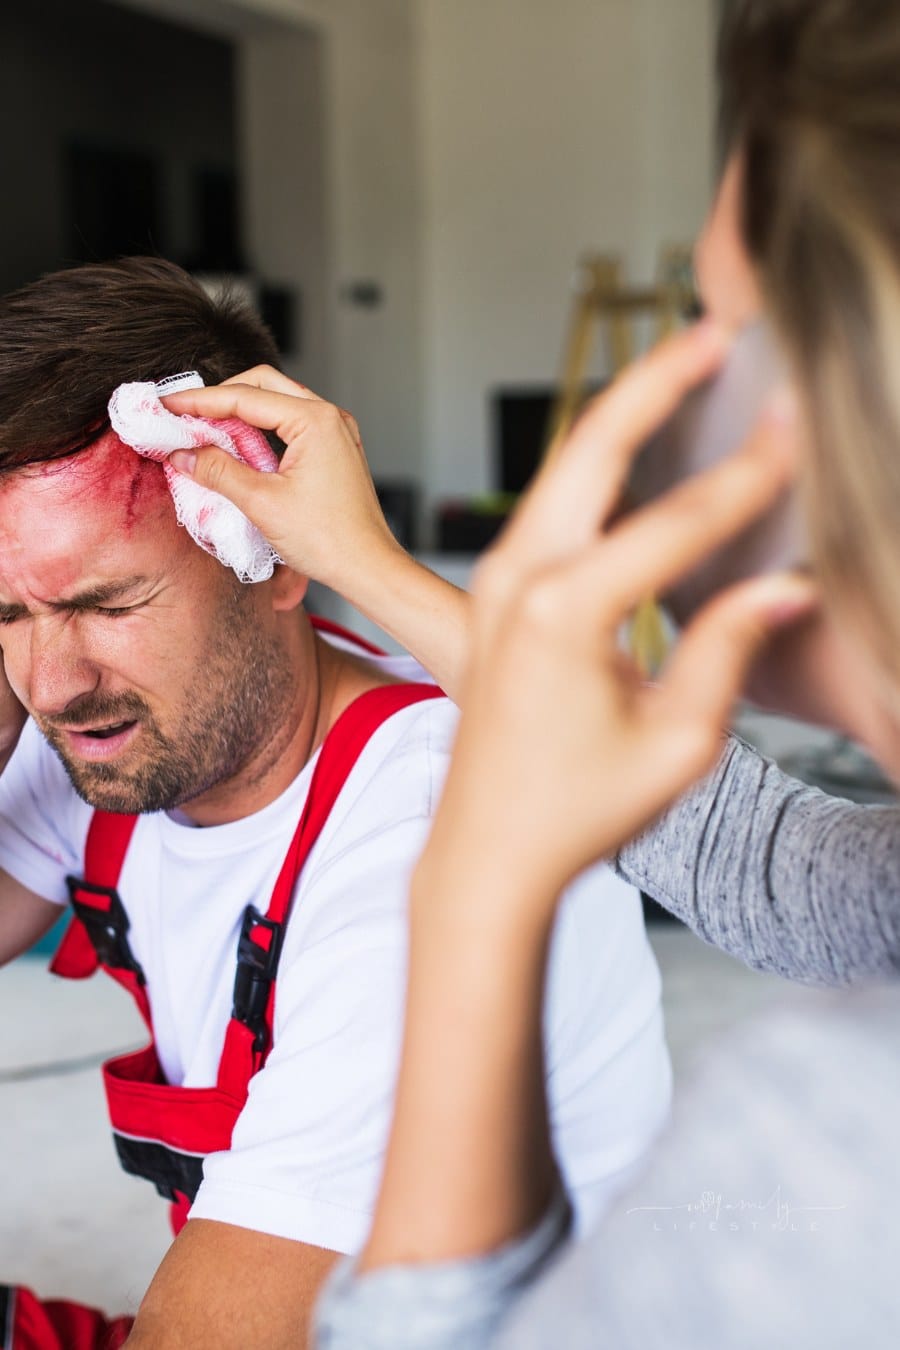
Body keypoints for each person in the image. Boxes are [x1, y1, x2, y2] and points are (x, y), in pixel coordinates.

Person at [158, 1, 900, 1345]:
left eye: (712, 327)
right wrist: (375, 567)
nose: (672, 392)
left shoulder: (833, 1141)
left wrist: (475, 901)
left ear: (856, 404)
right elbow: (807, 885)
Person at [0, 257, 676, 1348]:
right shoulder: (115, 725)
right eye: (9, 615)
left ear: (271, 552)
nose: (55, 682)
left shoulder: (427, 847)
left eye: (107, 600)